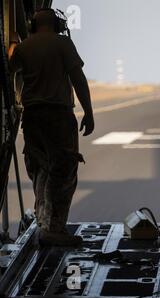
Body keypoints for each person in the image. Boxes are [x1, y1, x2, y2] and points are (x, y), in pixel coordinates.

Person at [9, 9, 95, 246]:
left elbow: (9, 70)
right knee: (63, 171)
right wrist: (88, 111)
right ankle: (53, 229)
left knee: (40, 168)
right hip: (58, 116)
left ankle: (44, 221)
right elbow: (78, 78)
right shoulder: (63, 44)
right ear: (56, 25)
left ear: (35, 25)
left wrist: (13, 45)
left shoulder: (24, 47)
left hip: (33, 118)